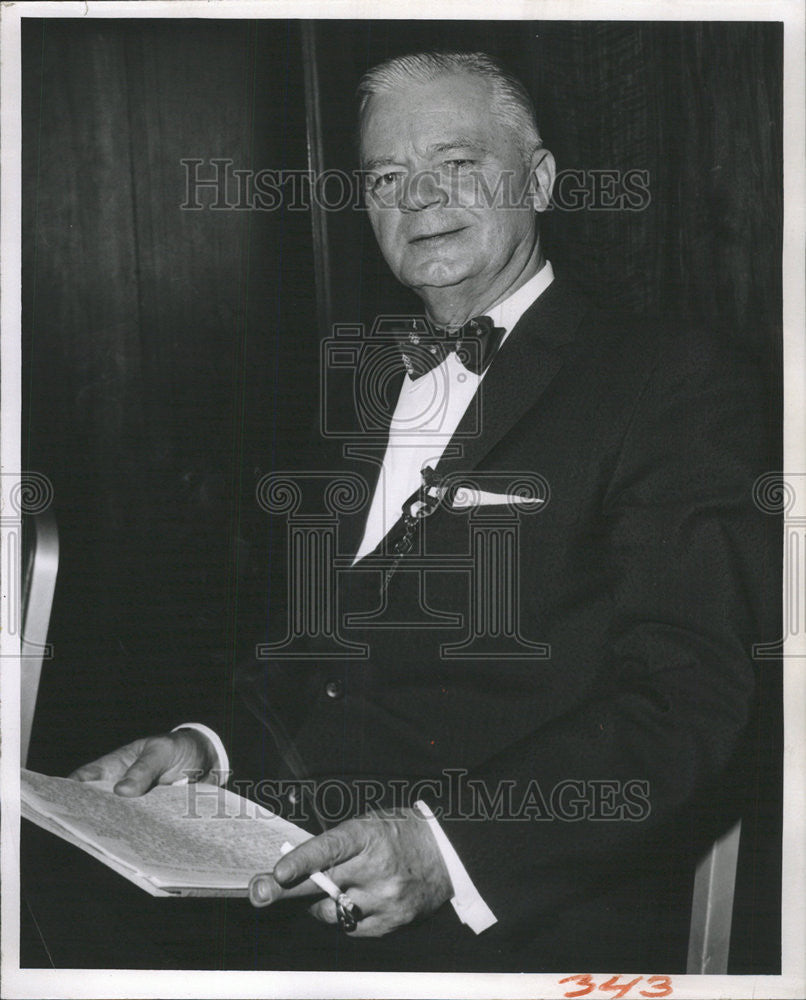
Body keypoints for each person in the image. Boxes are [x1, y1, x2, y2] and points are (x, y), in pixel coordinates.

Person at [69, 51, 776, 971]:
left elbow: (690, 700)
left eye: (456, 162)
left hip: (508, 922)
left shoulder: (667, 379)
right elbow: (322, 658)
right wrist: (208, 751)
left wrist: (445, 851)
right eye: (388, 177)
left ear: (543, 179)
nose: (418, 197)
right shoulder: (355, 380)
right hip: (281, 881)